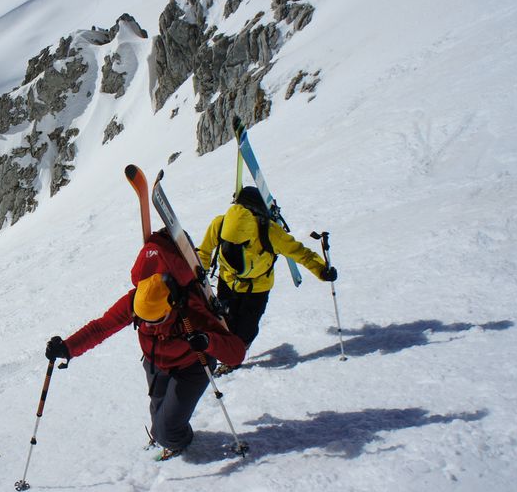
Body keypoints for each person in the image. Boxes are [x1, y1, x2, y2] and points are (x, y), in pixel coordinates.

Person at [45, 228, 246, 460]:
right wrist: (68, 347)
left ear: (170, 306)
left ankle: (178, 440)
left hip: (192, 367)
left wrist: (208, 341)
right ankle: (165, 434)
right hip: (155, 364)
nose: (149, 326)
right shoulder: (136, 299)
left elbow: (236, 352)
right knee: (158, 417)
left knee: (166, 429)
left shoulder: (190, 309)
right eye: (144, 321)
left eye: (156, 320)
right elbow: (102, 327)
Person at [198, 187, 337, 368]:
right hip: (236, 282)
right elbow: (205, 251)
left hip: (253, 286)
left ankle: (234, 357)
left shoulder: (268, 232)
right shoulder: (222, 224)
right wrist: (198, 275)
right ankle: (228, 354)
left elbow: (300, 253)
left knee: (244, 329)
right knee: (227, 324)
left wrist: (321, 270)